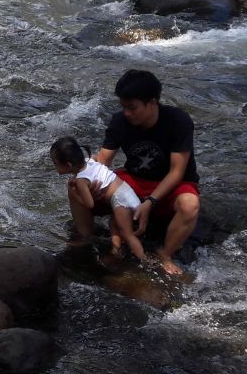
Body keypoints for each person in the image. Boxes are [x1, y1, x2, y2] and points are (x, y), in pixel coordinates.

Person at [70, 69, 200, 276]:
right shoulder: (120, 121)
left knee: (190, 204)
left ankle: (165, 254)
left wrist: (150, 202)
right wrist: (89, 180)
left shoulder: (178, 121)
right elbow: (103, 159)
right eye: (123, 107)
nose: (127, 113)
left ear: (152, 103)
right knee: (76, 183)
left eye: (132, 108)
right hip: (133, 181)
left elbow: (177, 172)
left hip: (172, 185)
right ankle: (85, 237)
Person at [51, 136, 145, 262]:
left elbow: (89, 204)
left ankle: (145, 260)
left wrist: (76, 196)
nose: (54, 167)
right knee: (113, 223)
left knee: (128, 235)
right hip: (128, 193)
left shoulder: (81, 181)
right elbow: (96, 157)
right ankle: (116, 249)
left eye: (55, 163)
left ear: (68, 165)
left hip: (121, 201)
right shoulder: (89, 160)